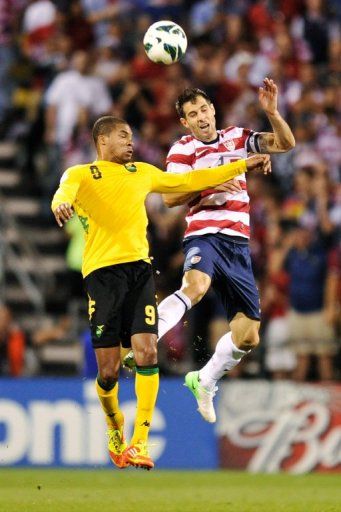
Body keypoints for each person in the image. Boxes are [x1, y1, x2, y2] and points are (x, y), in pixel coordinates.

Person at [51, 115, 270, 470]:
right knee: (107, 372)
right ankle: (115, 427)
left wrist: (241, 165)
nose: (130, 141)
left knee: (147, 352)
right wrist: (59, 204)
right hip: (102, 276)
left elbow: (188, 180)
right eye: (123, 136)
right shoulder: (80, 174)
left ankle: (139, 441)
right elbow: (63, 193)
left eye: (132, 135)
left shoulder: (142, 171)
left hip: (139, 270)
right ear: (102, 140)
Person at [125, 78, 295, 422]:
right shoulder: (182, 150)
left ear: (213, 110)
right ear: (185, 122)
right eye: (192, 114)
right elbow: (171, 197)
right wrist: (216, 180)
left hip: (239, 245)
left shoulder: (237, 137)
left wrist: (273, 113)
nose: (201, 116)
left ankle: (205, 379)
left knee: (248, 337)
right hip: (205, 235)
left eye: (204, 109)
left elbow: (286, 143)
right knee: (196, 286)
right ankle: (149, 334)